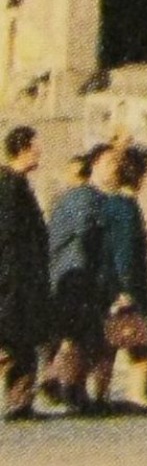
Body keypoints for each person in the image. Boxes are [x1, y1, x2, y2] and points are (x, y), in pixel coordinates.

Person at [38, 143, 117, 412]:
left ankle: (66, 385)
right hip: (78, 277)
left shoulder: (72, 198)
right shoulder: (88, 199)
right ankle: (65, 386)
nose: (114, 170)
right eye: (108, 164)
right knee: (78, 337)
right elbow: (87, 238)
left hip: (65, 274)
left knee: (74, 335)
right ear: (92, 167)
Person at [101, 146, 147, 412]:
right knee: (142, 345)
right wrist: (126, 290)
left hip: (120, 284)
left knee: (136, 344)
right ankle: (137, 396)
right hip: (131, 287)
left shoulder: (112, 203)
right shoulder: (125, 208)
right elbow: (125, 254)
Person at [0, 126, 52, 421]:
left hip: (23, 277)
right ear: (23, 148)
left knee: (23, 343)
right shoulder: (8, 185)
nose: (40, 150)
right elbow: (7, 236)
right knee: (12, 340)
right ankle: (19, 401)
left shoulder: (17, 182)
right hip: (14, 279)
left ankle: (20, 403)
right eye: (36, 145)